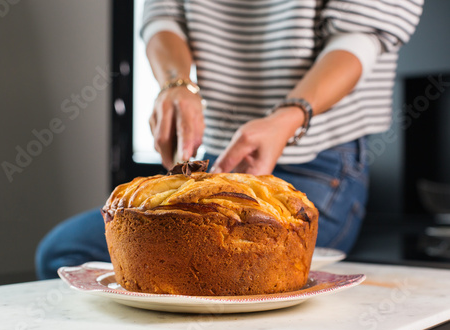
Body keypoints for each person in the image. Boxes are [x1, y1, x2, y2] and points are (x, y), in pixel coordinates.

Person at [35, 0, 423, 279]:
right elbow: (163, 16)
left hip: (318, 159)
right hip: (218, 158)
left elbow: (359, 37)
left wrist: (288, 116)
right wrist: (176, 83)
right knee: (61, 250)